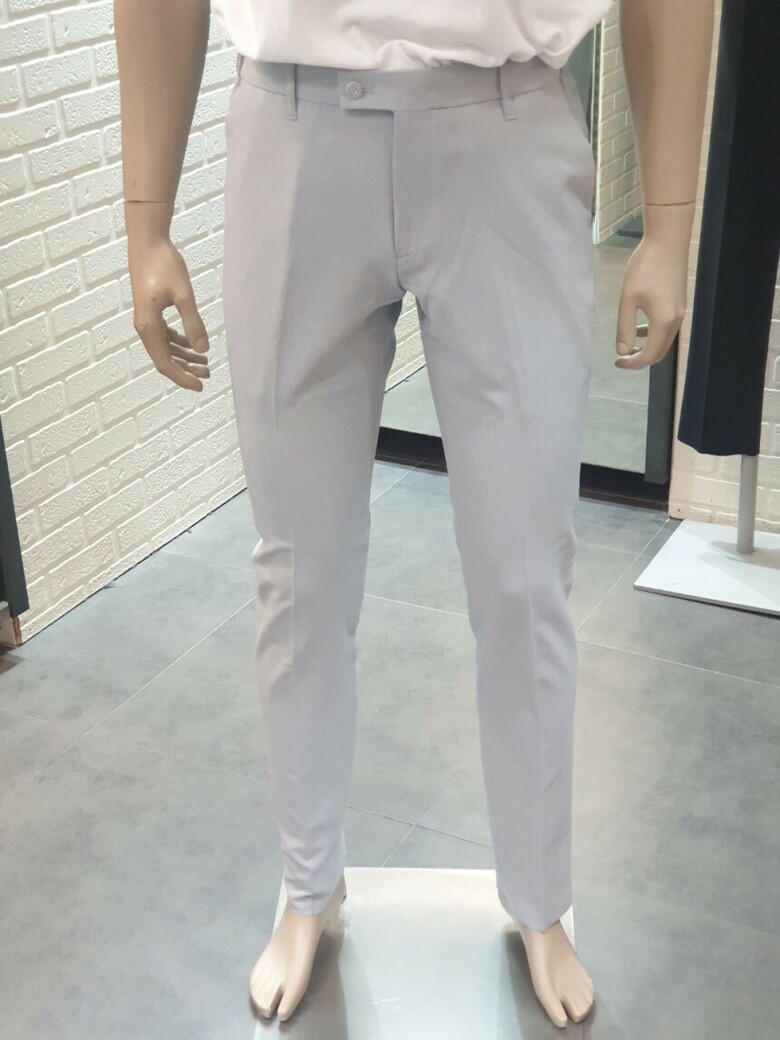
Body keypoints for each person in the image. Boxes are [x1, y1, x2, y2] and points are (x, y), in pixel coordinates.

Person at [114, 0, 715, 1027]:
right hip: (291, 134)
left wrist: (669, 224)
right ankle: (308, 883)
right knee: (299, 572)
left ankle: (539, 896)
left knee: (525, 574)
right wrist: (145, 217)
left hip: (508, 135)